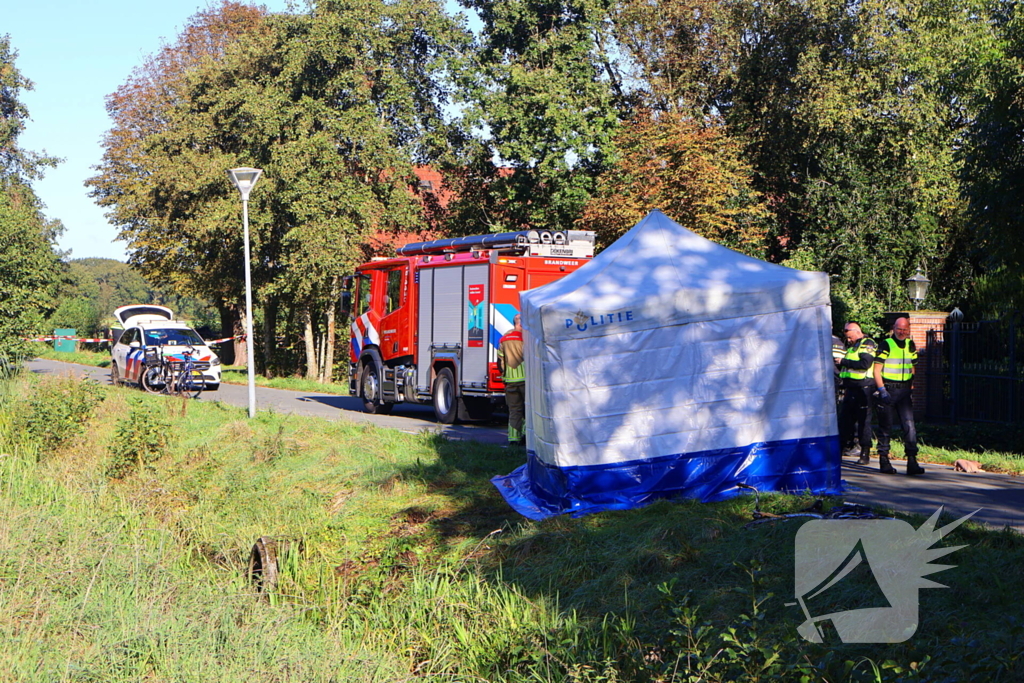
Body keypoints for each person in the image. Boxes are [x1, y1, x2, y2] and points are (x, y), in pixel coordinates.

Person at [873, 316, 924, 475]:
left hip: (904, 391)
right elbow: (876, 369)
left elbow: (913, 366)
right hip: (888, 389)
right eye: (899, 329)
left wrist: (912, 384)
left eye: (904, 329)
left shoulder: (910, 344)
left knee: (909, 426)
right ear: (894, 329)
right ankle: (884, 460)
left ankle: (912, 461)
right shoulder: (886, 344)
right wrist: (881, 390)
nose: (902, 332)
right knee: (886, 427)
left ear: (908, 330)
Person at [836, 322, 876, 465]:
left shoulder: (867, 344)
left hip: (863, 389)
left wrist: (843, 361)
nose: (848, 340)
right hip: (850, 388)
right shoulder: (853, 346)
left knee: (863, 422)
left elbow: (865, 364)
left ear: (856, 331)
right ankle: (840, 451)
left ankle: (864, 453)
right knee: (845, 421)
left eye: (850, 337)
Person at [498, 314, 526, 446]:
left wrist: (504, 375)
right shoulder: (525, 338)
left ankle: (514, 439)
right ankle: (526, 436)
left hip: (510, 381)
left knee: (514, 410)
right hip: (525, 380)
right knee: (528, 410)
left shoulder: (504, 339)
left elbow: (500, 361)